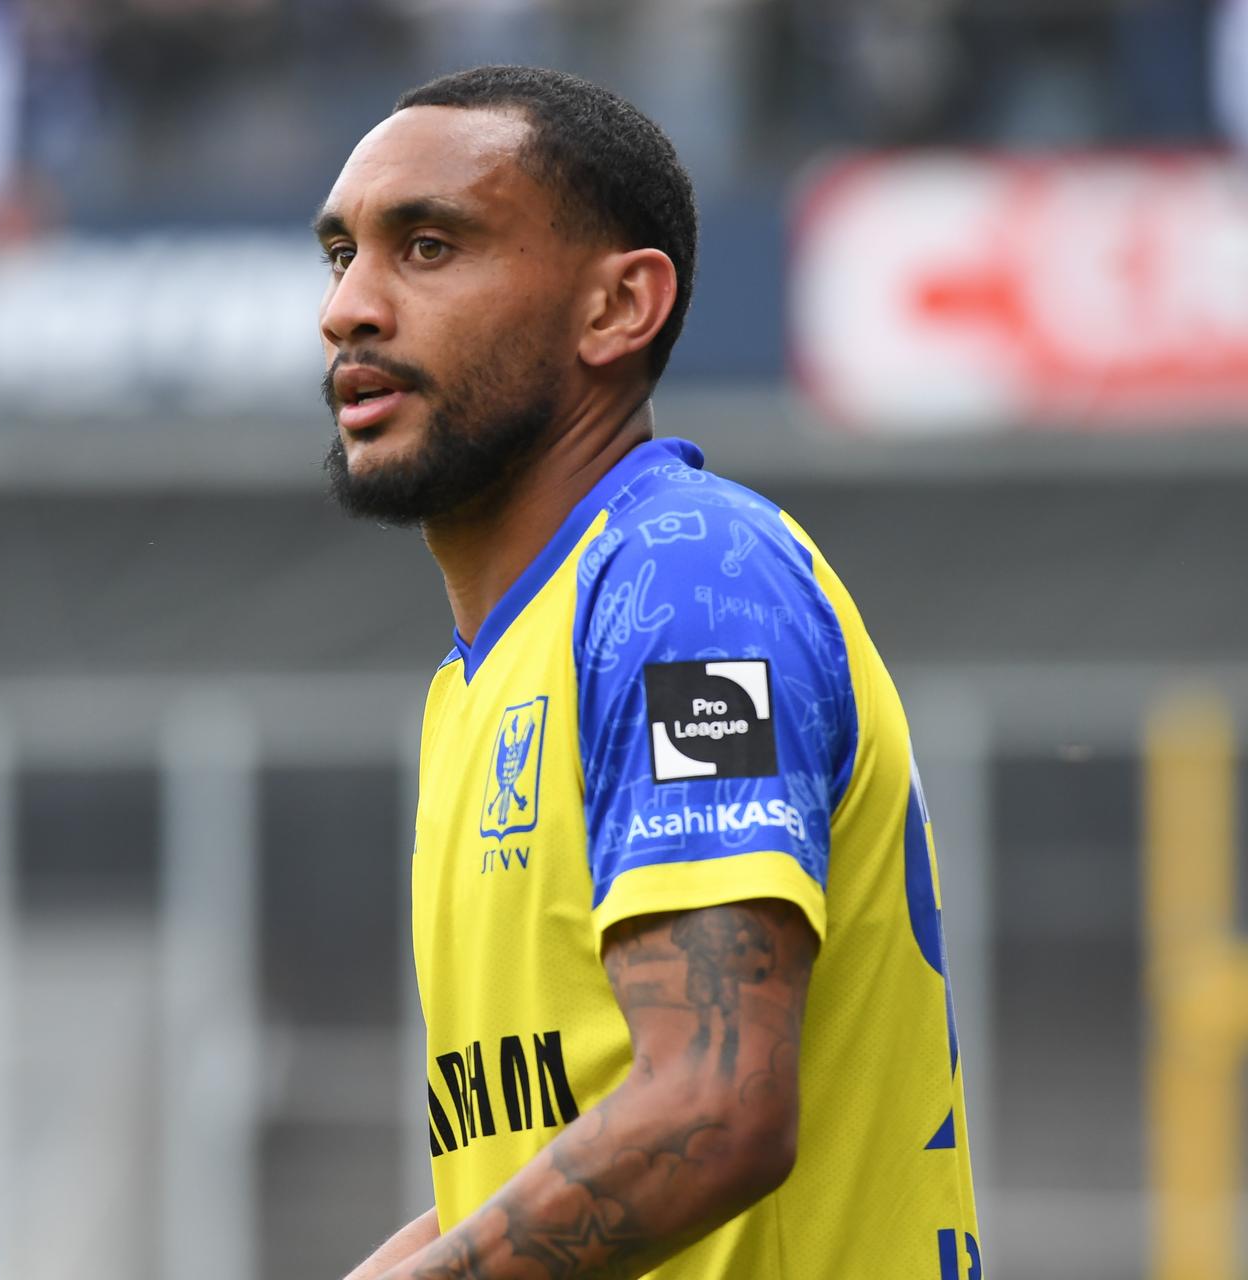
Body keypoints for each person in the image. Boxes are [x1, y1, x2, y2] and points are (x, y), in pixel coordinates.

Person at [313, 66, 982, 1278]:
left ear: (619, 307)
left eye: (426, 246)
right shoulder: (478, 679)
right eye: (340, 256)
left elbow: (715, 1106)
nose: (349, 308)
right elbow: (539, 1155)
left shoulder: (688, 582)